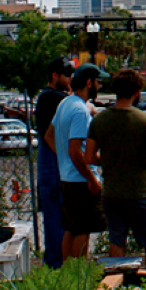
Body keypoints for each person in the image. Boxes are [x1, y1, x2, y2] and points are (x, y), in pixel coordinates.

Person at [85, 69, 146, 270]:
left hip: (112, 192)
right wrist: (138, 155)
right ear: (136, 92)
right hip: (140, 192)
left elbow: (89, 156)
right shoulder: (145, 120)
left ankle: (116, 283)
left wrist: (111, 159)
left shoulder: (100, 120)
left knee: (117, 241)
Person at [46, 63, 109, 263]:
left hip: (67, 177)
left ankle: (67, 274)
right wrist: (91, 178)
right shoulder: (81, 111)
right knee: (83, 229)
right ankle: (79, 273)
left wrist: (63, 158)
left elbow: (49, 135)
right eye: (97, 82)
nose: (99, 87)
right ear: (89, 82)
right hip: (81, 180)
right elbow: (76, 151)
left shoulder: (65, 103)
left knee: (71, 228)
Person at [36, 57, 73, 269]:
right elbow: (49, 136)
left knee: (58, 221)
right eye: (67, 75)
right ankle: (55, 266)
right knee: (55, 222)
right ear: (54, 76)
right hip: (53, 169)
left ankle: (55, 263)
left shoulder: (48, 98)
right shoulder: (53, 98)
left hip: (53, 167)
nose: (70, 79)